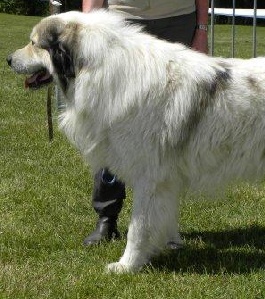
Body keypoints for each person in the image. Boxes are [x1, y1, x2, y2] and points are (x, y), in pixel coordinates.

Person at [81, 0, 209, 246]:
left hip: (177, 20)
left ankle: (166, 226)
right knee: (111, 124)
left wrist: (201, 29)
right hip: (122, 21)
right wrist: (89, 25)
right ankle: (107, 218)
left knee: (169, 134)